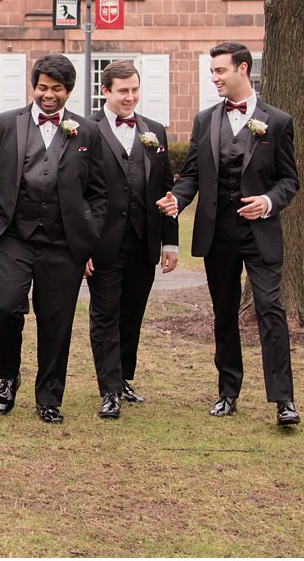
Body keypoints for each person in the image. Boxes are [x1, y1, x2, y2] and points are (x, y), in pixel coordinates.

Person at [159, 42, 302, 426]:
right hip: (217, 233)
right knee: (224, 313)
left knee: (271, 310)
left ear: (243, 68)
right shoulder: (205, 120)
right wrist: (177, 199)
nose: (214, 78)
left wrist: (269, 202)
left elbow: (290, 180)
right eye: (212, 71)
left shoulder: (278, 121)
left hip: (261, 234)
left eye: (220, 70)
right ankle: (227, 391)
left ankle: (283, 400)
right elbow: (191, 174)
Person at [0, 53, 107, 424]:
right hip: (10, 236)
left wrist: (89, 232)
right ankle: (8, 374)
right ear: (34, 86)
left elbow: (99, 192)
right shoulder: (5, 124)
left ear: (69, 91)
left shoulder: (88, 131)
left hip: (64, 243)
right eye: (43, 88)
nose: (49, 95)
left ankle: (49, 397)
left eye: (57, 89)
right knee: (4, 306)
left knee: (56, 320)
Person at [84, 60, 175, 419]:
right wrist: (81, 247)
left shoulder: (154, 131)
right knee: (104, 315)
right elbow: (74, 193)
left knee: (132, 314)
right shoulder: (84, 129)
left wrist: (169, 243)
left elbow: (166, 191)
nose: (130, 97)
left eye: (135, 90)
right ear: (105, 91)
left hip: (144, 241)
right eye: (123, 91)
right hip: (102, 242)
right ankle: (108, 390)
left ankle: (123, 378)